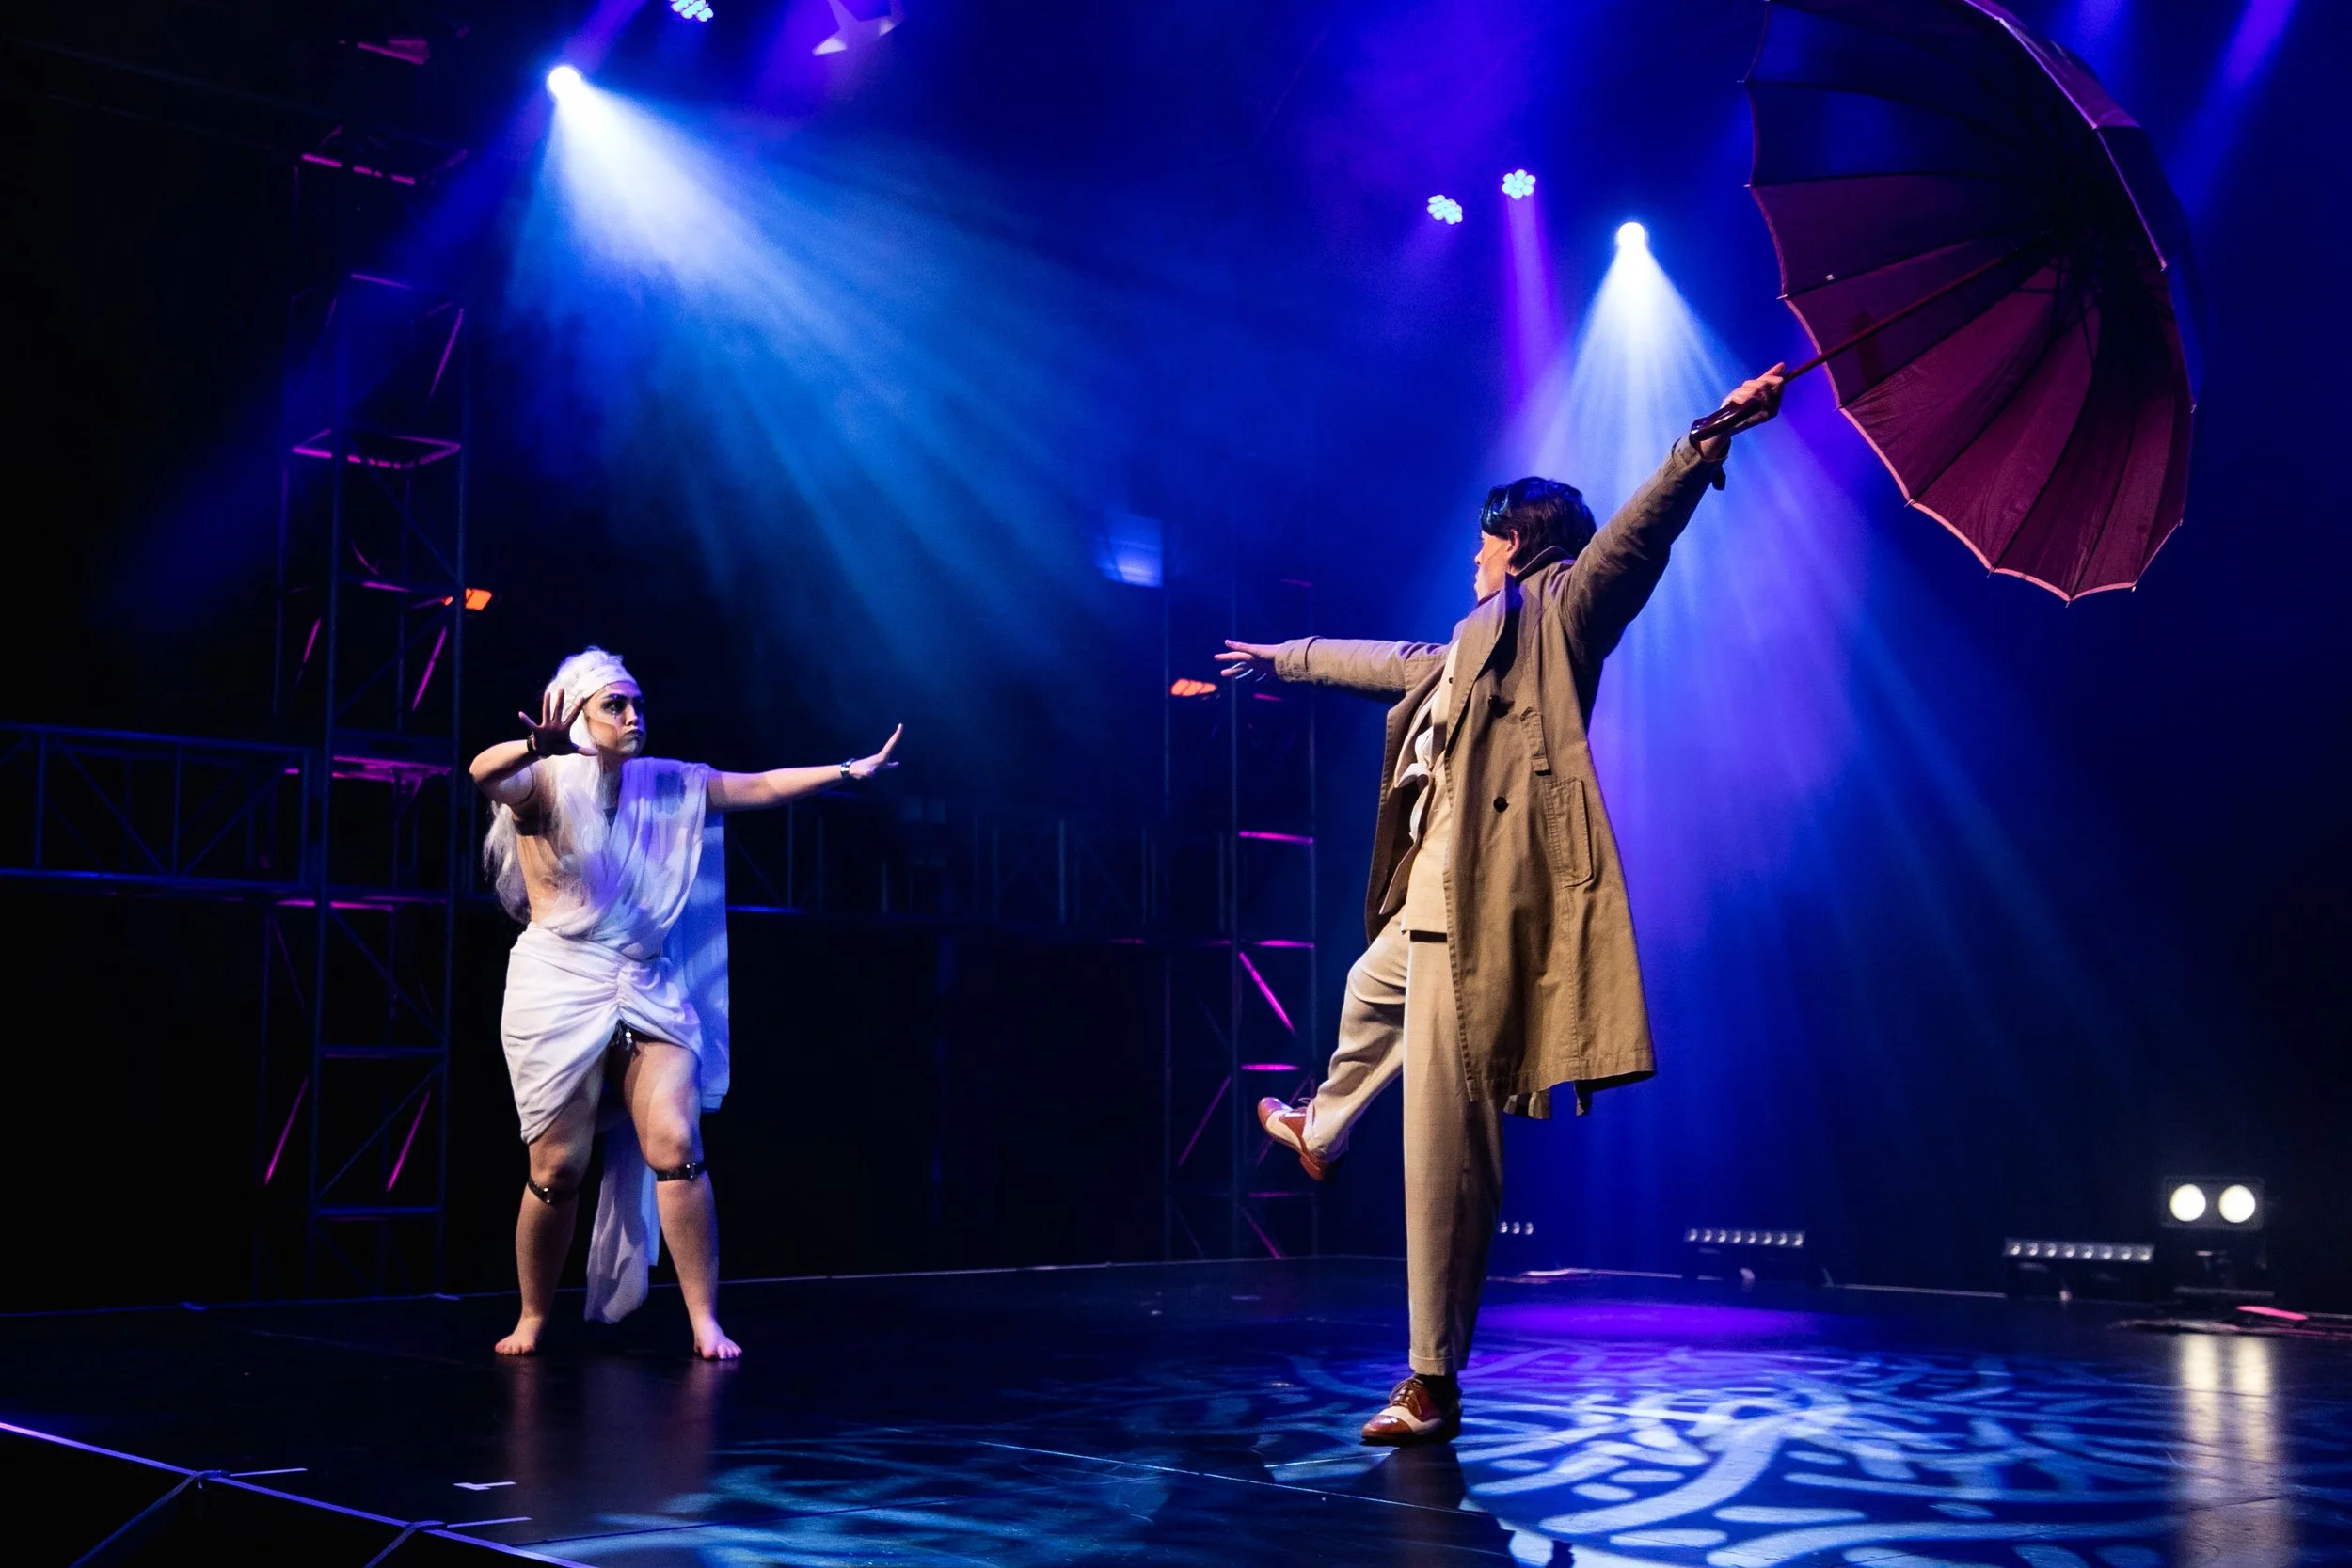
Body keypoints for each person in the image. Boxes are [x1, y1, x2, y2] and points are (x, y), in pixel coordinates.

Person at [1216, 367, 1786, 1442]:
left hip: (1480, 920)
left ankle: (1430, 1380)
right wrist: (1283, 658)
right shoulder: (1467, 653)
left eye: (1484, 542)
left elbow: (1634, 541)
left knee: (1444, 1152)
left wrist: (1706, 439)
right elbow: (1388, 661)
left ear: (1517, 542)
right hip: (1423, 914)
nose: (1471, 557)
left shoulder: (1560, 613)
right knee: (1364, 986)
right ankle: (1321, 1127)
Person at [470, 646, 900, 1359]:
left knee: (675, 1141)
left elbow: (761, 786)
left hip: (644, 981)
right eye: (615, 704)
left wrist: (847, 769)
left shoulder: (667, 783)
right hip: (558, 983)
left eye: (637, 703)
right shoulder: (543, 783)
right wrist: (534, 745)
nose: (633, 716)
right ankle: (534, 1316)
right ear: (576, 714)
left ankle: (704, 1320)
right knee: (557, 1168)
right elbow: (483, 773)